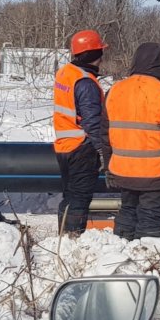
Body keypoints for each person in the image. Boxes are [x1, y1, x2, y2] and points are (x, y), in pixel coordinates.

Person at [101, 42, 160, 240]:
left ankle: (120, 254)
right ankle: (145, 257)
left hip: (123, 171)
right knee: (150, 220)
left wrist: (109, 168)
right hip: (155, 174)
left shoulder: (115, 91)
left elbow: (105, 136)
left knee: (127, 212)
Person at [53, 29, 107, 234]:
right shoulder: (86, 82)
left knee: (69, 197)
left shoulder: (66, 73)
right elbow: (92, 122)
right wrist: (102, 150)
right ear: (96, 55)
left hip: (64, 146)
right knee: (79, 200)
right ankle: (72, 240)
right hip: (82, 149)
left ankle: (63, 238)